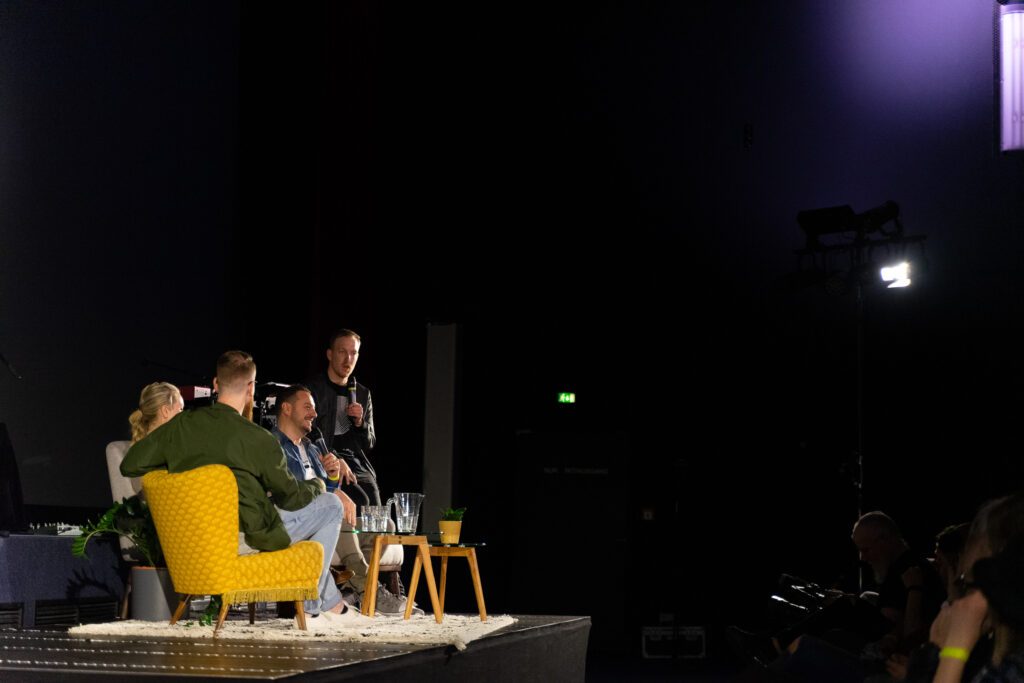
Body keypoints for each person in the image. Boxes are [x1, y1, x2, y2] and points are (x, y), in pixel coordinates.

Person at [121, 350, 362, 624]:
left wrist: (179, 476)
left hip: (196, 543)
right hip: (245, 540)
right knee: (330, 506)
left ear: (215, 384)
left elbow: (130, 464)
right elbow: (292, 497)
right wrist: (318, 484)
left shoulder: (180, 426)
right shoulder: (257, 437)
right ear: (251, 388)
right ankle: (317, 605)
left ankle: (327, 604)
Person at [273, 384, 420, 615]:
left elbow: (329, 488)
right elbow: (288, 493)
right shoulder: (274, 446)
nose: (314, 414)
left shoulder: (311, 448)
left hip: (325, 516)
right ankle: (369, 592)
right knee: (338, 511)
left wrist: (332, 477)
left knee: (385, 526)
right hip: (299, 520)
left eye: (314, 408)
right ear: (287, 409)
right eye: (307, 408)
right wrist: (331, 492)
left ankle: (357, 591)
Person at [306, 329, 380, 506]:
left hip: (357, 464)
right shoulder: (312, 389)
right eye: (342, 352)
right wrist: (335, 457)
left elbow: (369, 443)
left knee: (376, 508)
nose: (348, 359)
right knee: (360, 501)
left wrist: (360, 423)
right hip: (325, 459)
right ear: (330, 354)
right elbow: (307, 434)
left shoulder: (362, 393)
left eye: (353, 353)